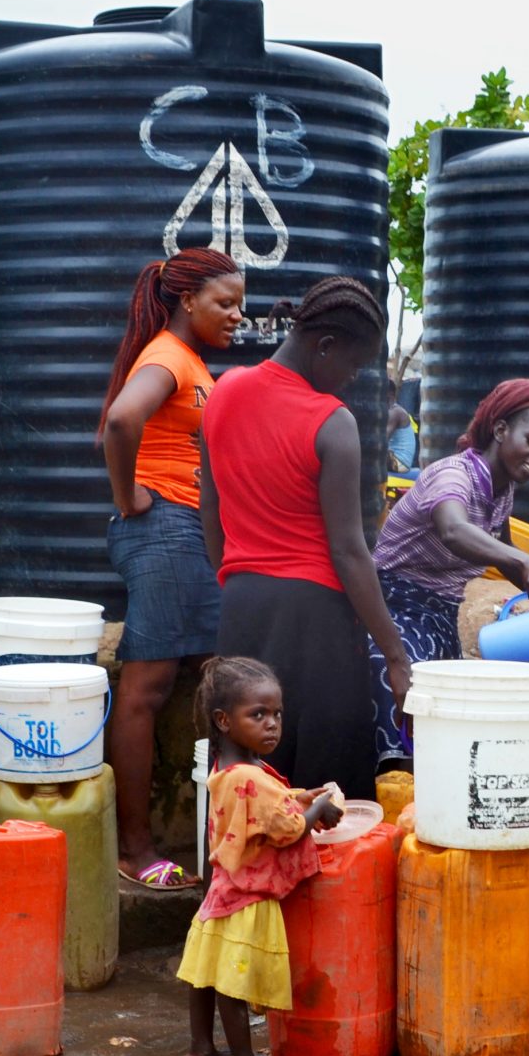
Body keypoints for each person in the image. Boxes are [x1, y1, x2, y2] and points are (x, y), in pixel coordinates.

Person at [202, 276, 413, 802]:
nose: (351, 378)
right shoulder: (330, 422)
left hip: (243, 606)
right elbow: (348, 550)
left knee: (246, 774)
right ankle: (325, 886)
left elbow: (210, 506)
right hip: (316, 619)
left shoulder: (223, 391)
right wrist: (394, 653)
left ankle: (240, 883)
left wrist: (233, 581)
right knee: (324, 780)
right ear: (325, 347)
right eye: (353, 364)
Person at [100, 246, 248, 889]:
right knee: (146, 689)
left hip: (188, 534)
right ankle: (133, 851)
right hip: (161, 530)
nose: (237, 315)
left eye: (240, 303)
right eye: (225, 303)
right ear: (187, 301)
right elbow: (121, 420)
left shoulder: (189, 362)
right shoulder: (166, 355)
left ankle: (226, 836)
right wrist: (128, 495)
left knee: (207, 677)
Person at [366, 379, 529, 765]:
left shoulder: (501, 491)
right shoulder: (453, 475)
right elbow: (454, 530)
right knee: (410, 725)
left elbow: (505, 559)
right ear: (501, 429)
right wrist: (525, 561)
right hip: (392, 611)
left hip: (439, 616)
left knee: (446, 733)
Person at [177, 657, 342, 1056]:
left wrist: (299, 797)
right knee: (233, 976)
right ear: (224, 720)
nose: (272, 724)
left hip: (222, 890)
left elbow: (266, 805)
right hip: (248, 896)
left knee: (205, 974)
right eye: (258, 715)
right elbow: (286, 828)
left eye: (277, 714)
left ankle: (201, 1049)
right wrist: (318, 809)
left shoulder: (228, 769)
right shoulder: (250, 775)